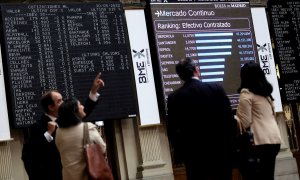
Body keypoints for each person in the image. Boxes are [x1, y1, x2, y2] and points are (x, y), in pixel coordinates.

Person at [21, 73, 104, 180]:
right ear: (51, 107)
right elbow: (28, 154)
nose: (63, 103)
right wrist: (48, 134)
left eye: (62, 99)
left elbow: (82, 111)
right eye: (59, 101)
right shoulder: (38, 126)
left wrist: (93, 92)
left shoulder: (66, 119)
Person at [166, 57, 236, 180]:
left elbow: (172, 131)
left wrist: (180, 152)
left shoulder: (174, 98)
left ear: (180, 76)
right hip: (220, 152)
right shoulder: (216, 89)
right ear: (196, 70)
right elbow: (229, 121)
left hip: (193, 156)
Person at [236, 62, 281, 180]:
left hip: (259, 141)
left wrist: (235, 117)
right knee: (268, 176)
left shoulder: (246, 95)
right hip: (274, 139)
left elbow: (245, 122)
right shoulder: (266, 95)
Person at [55, 98, 107, 180]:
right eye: (80, 105)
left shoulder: (58, 132)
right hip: (87, 176)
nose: (83, 107)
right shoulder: (87, 127)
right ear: (74, 111)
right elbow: (102, 148)